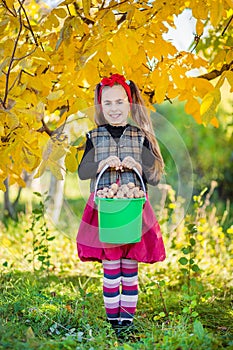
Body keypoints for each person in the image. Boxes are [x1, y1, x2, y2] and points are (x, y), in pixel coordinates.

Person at [76, 73, 166, 337]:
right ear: (100, 106)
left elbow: (155, 177)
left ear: (130, 104)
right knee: (111, 267)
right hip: (106, 210)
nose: (114, 109)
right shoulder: (95, 136)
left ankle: (125, 324)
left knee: (130, 267)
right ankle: (113, 323)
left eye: (119, 102)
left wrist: (139, 165)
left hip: (132, 210)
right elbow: (83, 172)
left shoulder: (141, 137)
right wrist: (101, 164)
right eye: (108, 104)